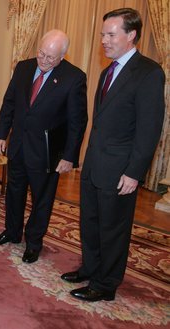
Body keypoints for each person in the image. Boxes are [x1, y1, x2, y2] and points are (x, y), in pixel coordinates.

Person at [61, 8, 165, 302]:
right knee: (91, 222)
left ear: (131, 35)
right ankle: (91, 268)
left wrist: (134, 172)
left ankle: (106, 285)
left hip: (121, 170)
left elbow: (149, 129)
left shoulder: (149, 72)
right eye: (102, 34)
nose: (104, 40)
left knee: (113, 229)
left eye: (110, 34)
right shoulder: (108, 71)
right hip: (95, 164)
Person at [0, 29, 88, 264]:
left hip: (47, 151)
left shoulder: (74, 78)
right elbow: (10, 101)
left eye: (50, 57)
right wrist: (1, 134)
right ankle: (12, 233)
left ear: (62, 56)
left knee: (42, 199)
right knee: (14, 191)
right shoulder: (23, 67)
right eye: (41, 53)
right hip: (19, 145)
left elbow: (77, 121)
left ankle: (33, 243)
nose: (43, 60)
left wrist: (68, 156)